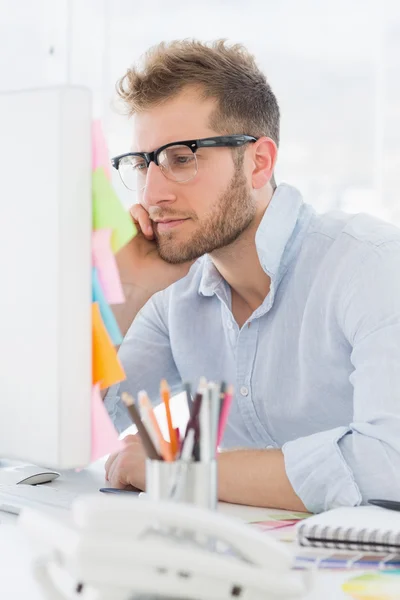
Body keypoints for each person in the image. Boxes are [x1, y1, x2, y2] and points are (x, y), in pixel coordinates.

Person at [104, 39, 400, 513]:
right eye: (142, 164)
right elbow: (63, 428)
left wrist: (177, 469)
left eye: (182, 157)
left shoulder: (372, 265)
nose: (153, 193)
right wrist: (125, 296)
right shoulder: (172, 293)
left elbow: (389, 465)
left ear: (259, 162)